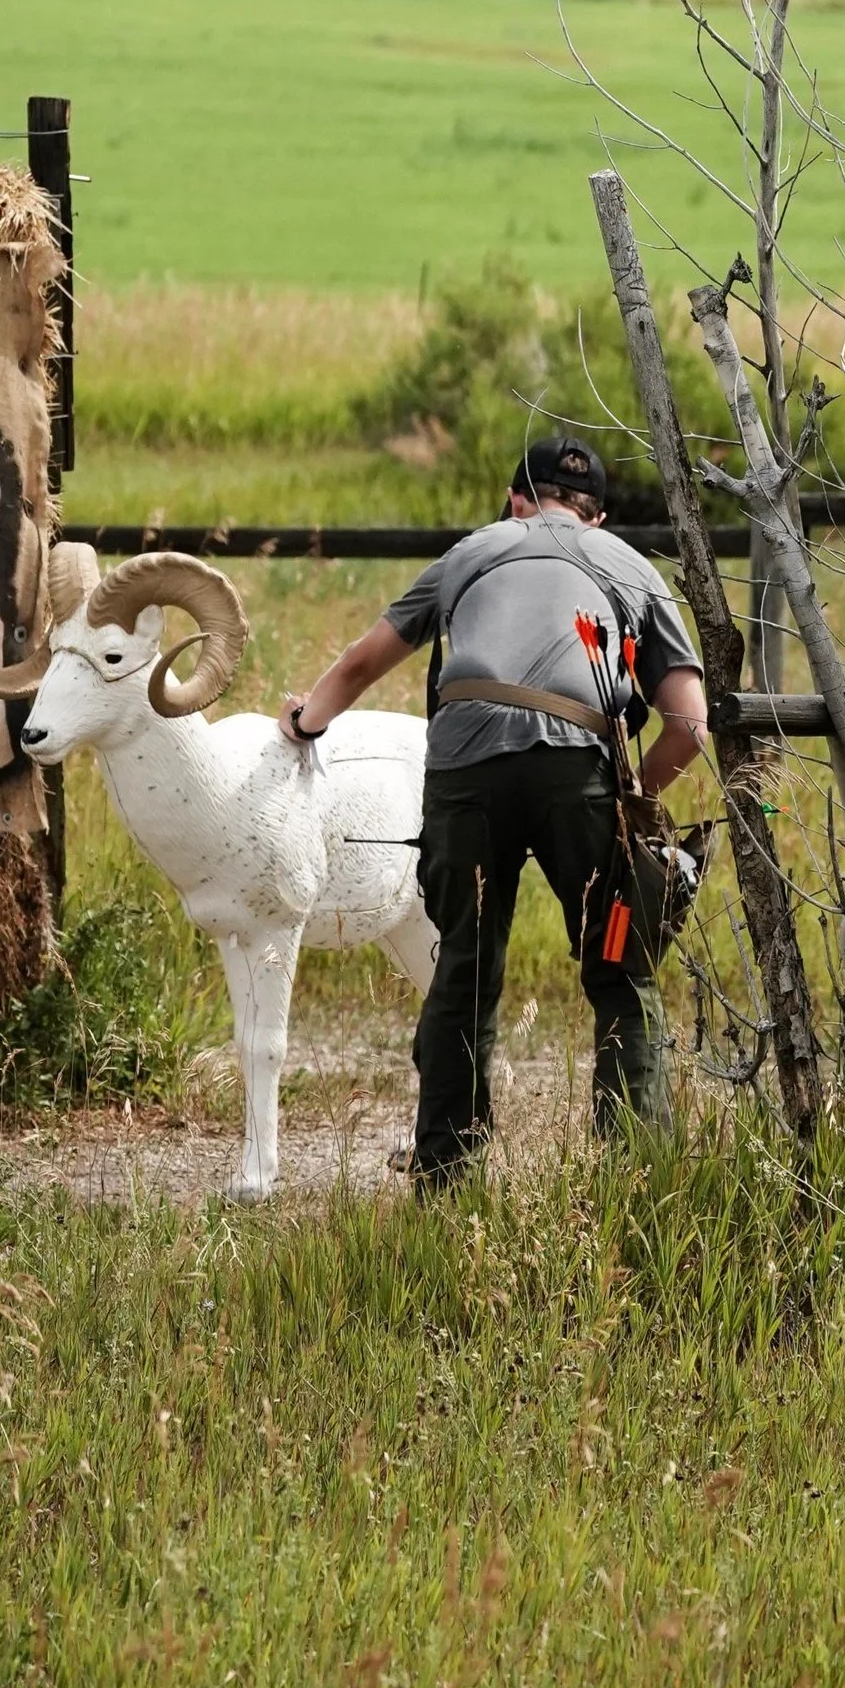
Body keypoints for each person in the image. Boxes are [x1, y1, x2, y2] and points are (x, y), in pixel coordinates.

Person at [280, 434, 709, 1188]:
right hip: (579, 767)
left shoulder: (471, 552)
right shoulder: (630, 566)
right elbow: (690, 724)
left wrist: (303, 722)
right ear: (597, 516)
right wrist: (631, 797)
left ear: (516, 501)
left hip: (465, 770)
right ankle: (636, 1173)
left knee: (464, 969)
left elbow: (360, 662)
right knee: (621, 969)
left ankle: (446, 1173)